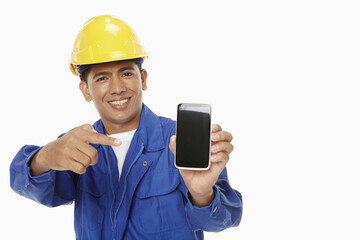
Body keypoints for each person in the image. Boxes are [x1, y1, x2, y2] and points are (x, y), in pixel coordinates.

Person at [10, 15, 242, 240]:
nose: (117, 88)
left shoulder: (180, 141)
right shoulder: (77, 145)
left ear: (143, 79)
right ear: (85, 90)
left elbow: (225, 219)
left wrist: (202, 194)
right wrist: (44, 157)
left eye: (127, 73)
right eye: (102, 78)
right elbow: (29, 185)